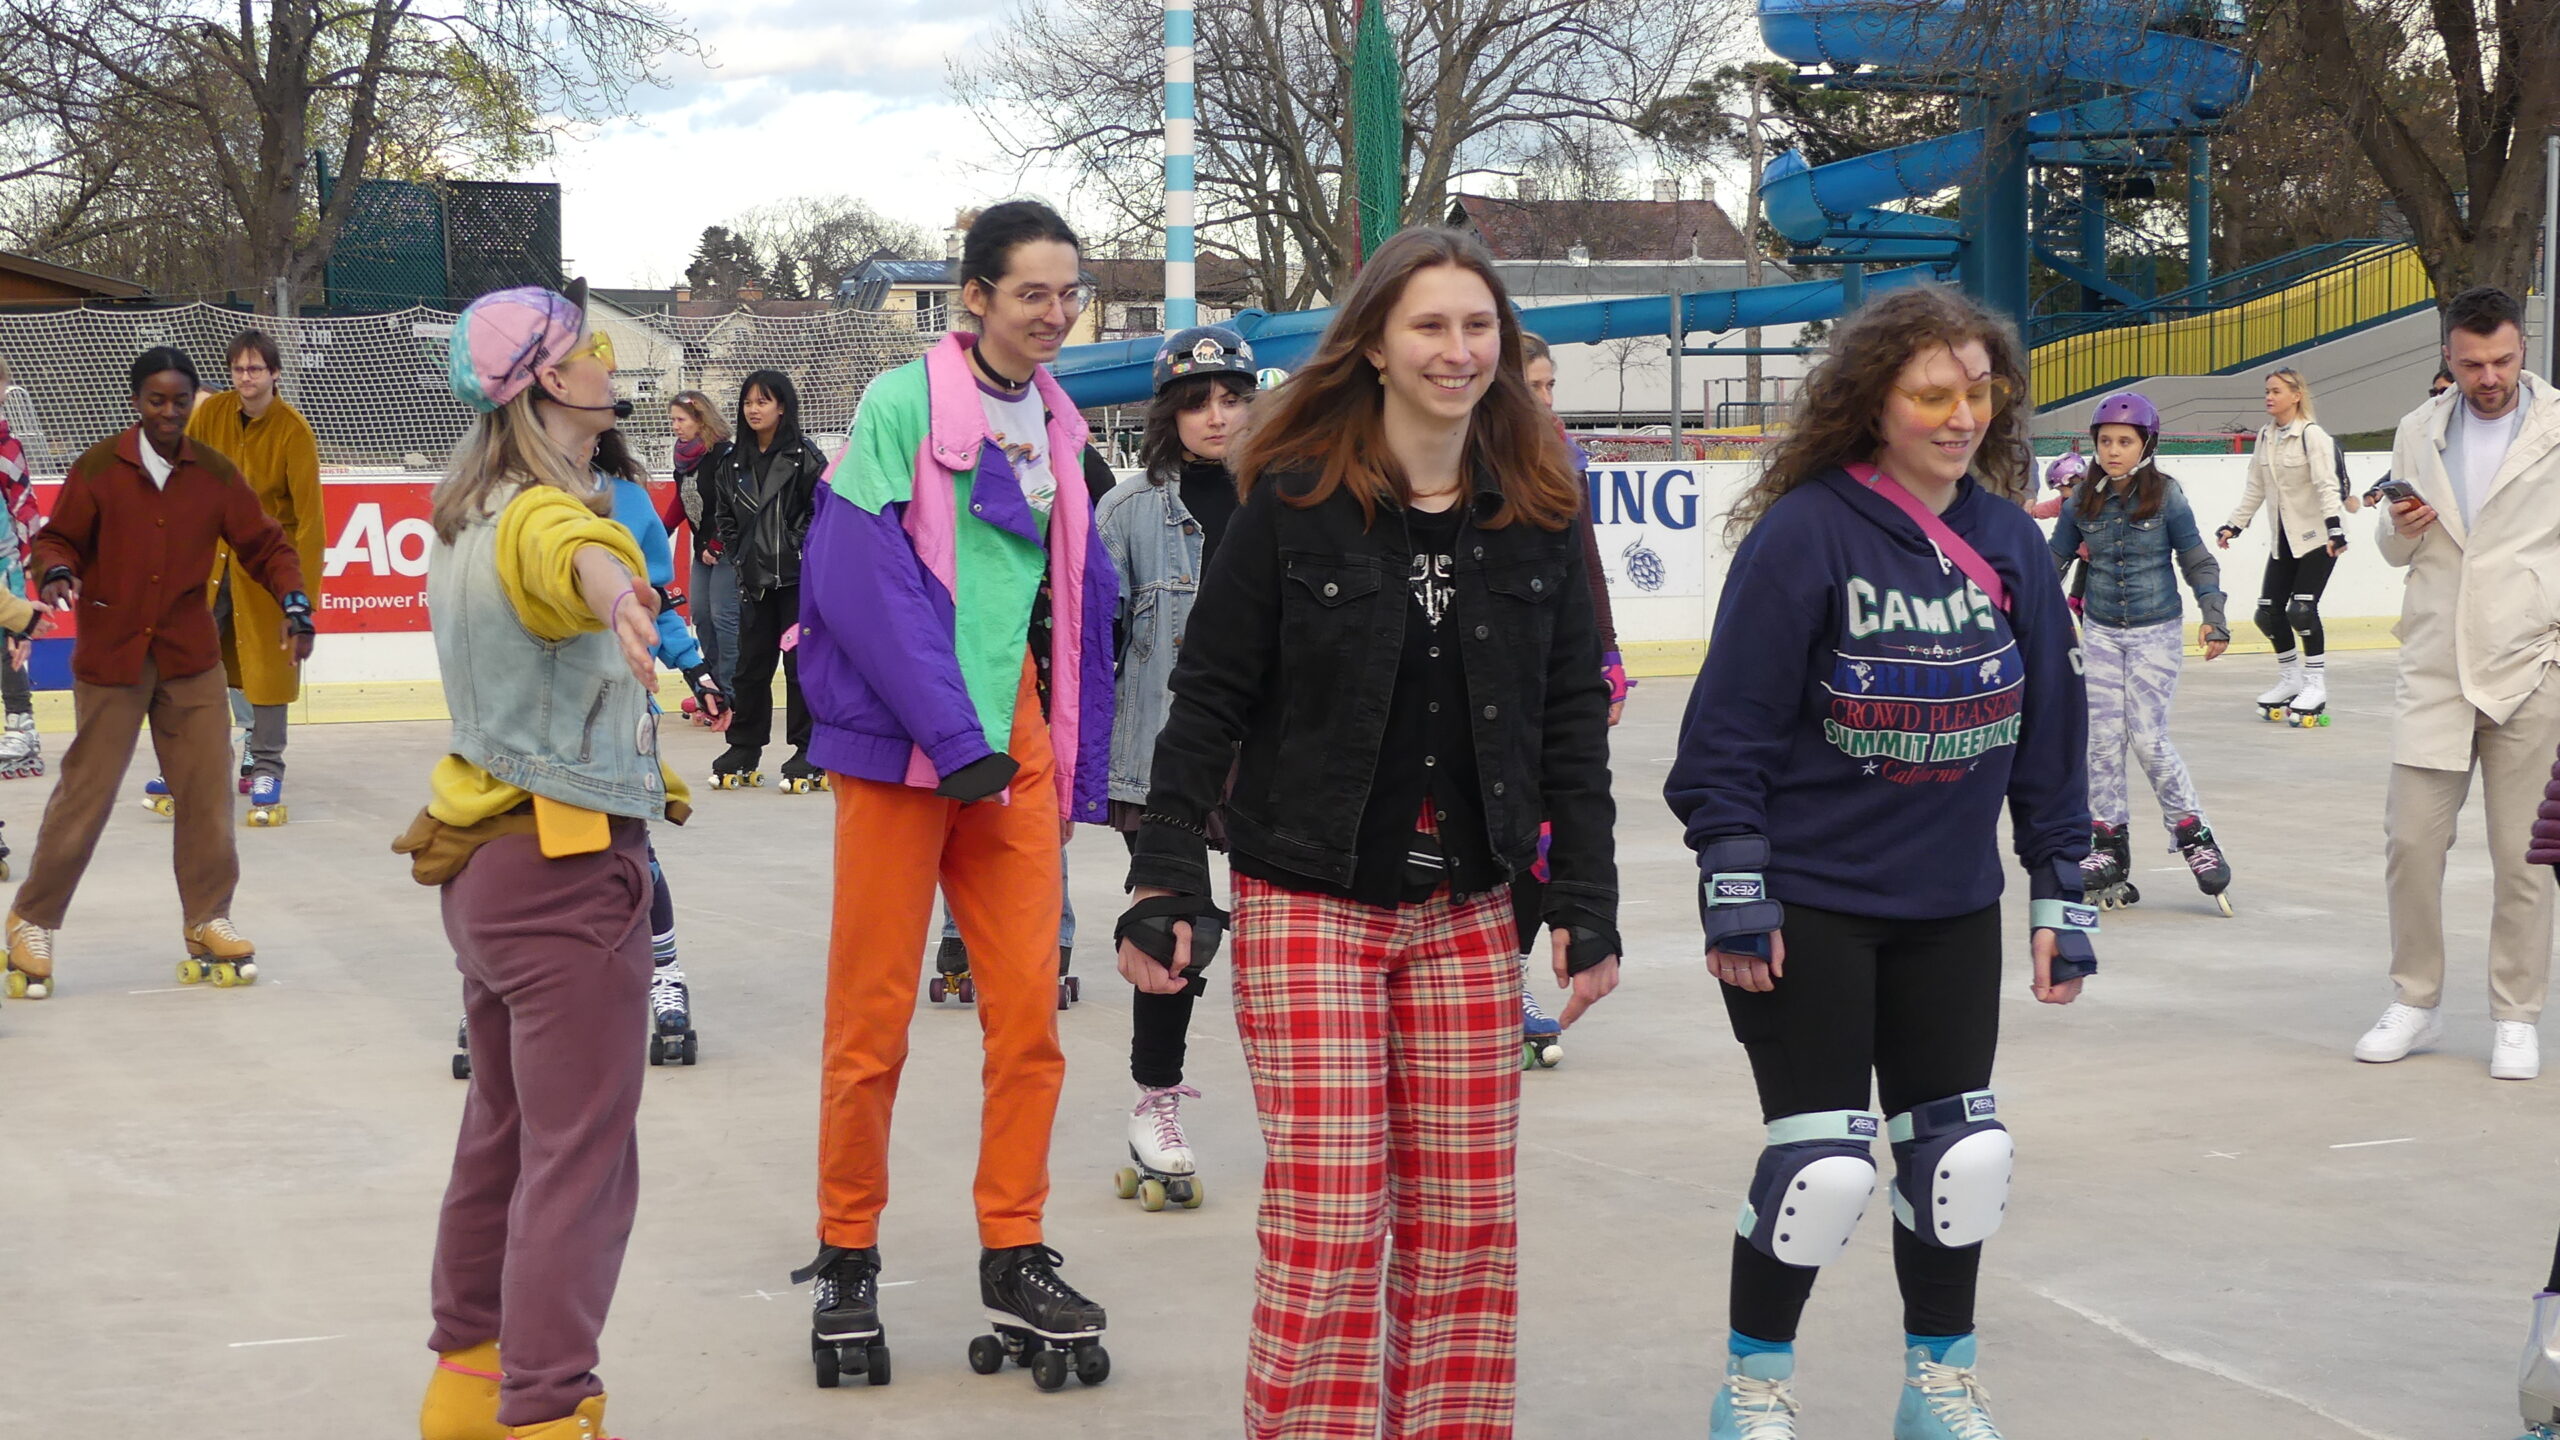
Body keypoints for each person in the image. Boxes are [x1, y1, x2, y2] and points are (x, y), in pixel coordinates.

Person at [1121, 226, 1621, 1438]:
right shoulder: (1290, 505)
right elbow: (1211, 698)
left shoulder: (1540, 513)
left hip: (1468, 906)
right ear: (1377, 350)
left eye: (1477, 328)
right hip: (1310, 896)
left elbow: (1570, 717)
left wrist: (1587, 898)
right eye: (1430, 327)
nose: (1457, 351)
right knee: (1333, 1219)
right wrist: (1165, 875)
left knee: (1464, 1223)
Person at [1662, 284, 2095, 1440]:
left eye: (1977, 391)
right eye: (1929, 394)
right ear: (1873, 403)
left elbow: (2050, 733)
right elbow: (1727, 736)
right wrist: (1735, 883)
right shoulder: (1806, 533)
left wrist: (2061, 884)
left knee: (1959, 1160)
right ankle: (1752, 1391)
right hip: (1814, 907)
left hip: (1952, 907)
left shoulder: (2007, 538)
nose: (1959, 416)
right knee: (1821, 1171)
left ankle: (1935, 1384)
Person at [787, 199, 1120, 1390]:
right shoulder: (901, 403)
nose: (1056, 311)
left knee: (1029, 1010)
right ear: (974, 295)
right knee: (870, 1020)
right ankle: (846, 1253)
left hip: (1008, 743)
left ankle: (1014, 1245)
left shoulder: (1067, 422)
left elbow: (1074, 603)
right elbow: (857, 571)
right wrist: (949, 730)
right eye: (1033, 291)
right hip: (901, 745)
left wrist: (1058, 748)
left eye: (1069, 290)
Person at [397, 283, 685, 1440]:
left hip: (487, 875)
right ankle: (548, 1407)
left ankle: (467, 1383)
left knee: (506, 1136)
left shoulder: (470, 514)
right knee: (582, 1161)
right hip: (565, 875)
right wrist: (623, 593)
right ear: (550, 382)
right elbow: (578, 557)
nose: (611, 364)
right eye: (594, 349)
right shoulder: (543, 516)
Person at [0, 348, 311, 1002]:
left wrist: (294, 600)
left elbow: (266, 544)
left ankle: (208, 917)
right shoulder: (99, 469)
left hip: (188, 656)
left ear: (194, 401)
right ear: (136, 403)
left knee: (205, 788)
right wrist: (56, 572)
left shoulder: (214, 474)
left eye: (179, 401)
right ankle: (32, 920)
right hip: (113, 657)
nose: (168, 413)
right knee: (86, 793)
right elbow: (56, 539)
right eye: (155, 400)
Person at [2352, 284, 2560, 1082]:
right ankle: (2416, 997)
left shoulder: (2554, 425)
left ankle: (2516, 1013)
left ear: (2522, 349)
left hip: (2529, 666)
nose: (2489, 376)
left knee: (2524, 858)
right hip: (2437, 662)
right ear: (2449, 356)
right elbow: (2394, 547)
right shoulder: (2417, 431)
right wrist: (2396, 530)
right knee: (2411, 843)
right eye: (2473, 363)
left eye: (2502, 359)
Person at [1090, 321, 1258, 1203]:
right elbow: (1090, 645)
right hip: (1164, 754)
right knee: (1174, 933)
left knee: (1285, 940)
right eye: (1197, 403)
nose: (1217, 418)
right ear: (1169, 415)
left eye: (1232, 399)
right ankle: (1156, 1105)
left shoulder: (1289, 498)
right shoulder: (1127, 512)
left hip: (1272, 756)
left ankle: (1314, 1104)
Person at [2048, 391, 2234, 914]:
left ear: (2145, 445)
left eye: (2124, 442)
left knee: (2148, 740)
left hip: (2156, 631)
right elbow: (2053, 561)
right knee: (2102, 740)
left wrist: (2213, 617)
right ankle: (2106, 844)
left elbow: (2197, 560)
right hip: (2103, 632)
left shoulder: (2167, 496)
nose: (2113, 450)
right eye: (2105, 441)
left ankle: (2194, 835)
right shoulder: (2081, 498)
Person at [137, 330, 324, 826]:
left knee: (270, 665)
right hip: (208, 560)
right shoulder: (212, 413)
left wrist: (299, 596)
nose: (247, 377)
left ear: (275, 374)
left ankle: (266, 767)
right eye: (239, 369)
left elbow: (310, 520)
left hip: (264, 567)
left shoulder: (293, 431)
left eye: (256, 369)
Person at [1514, 329, 1629, 1067]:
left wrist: (1607, 652)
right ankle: (1495, 977)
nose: (1549, 402)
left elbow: (1585, 565)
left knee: (1546, 839)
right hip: (1497, 679)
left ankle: (1506, 977)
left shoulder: (1559, 460)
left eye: (1552, 387)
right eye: (1536, 388)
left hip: (1556, 674)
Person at [701, 369, 825, 789]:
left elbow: (820, 511)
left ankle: (809, 749)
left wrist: (793, 545)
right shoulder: (732, 462)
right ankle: (744, 746)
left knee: (799, 667)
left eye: (763, 402)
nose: (754, 410)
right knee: (751, 667)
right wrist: (738, 555)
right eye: (748, 402)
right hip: (753, 580)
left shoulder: (805, 457)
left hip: (797, 581)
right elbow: (723, 516)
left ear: (782, 407)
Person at [2217, 366, 2348, 726]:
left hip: (2319, 537)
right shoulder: (2265, 437)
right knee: (2268, 612)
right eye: (2267, 392)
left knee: (2302, 611)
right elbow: (2255, 487)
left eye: (2276, 391)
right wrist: (2234, 524)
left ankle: (2315, 684)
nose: (2269, 398)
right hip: (2284, 538)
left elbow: (2327, 486)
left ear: (2296, 395)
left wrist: (2336, 530)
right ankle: (2290, 680)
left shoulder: (2313, 436)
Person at [667, 389, 737, 703]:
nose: (675, 426)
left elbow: (735, 504)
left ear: (700, 419)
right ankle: (713, 687)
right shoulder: (684, 460)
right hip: (702, 550)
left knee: (724, 617)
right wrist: (656, 533)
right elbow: (681, 503)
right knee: (702, 616)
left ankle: (735, 691)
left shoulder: (724, 456)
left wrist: (717, 544)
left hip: (728, 548)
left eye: (681, 420)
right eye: (673, 420)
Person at [0, 356, 39, 779]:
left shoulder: (8, 447)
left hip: (4, 561)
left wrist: (30, 563)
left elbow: (25, 505)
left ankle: (21, 723)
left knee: (11, 640)